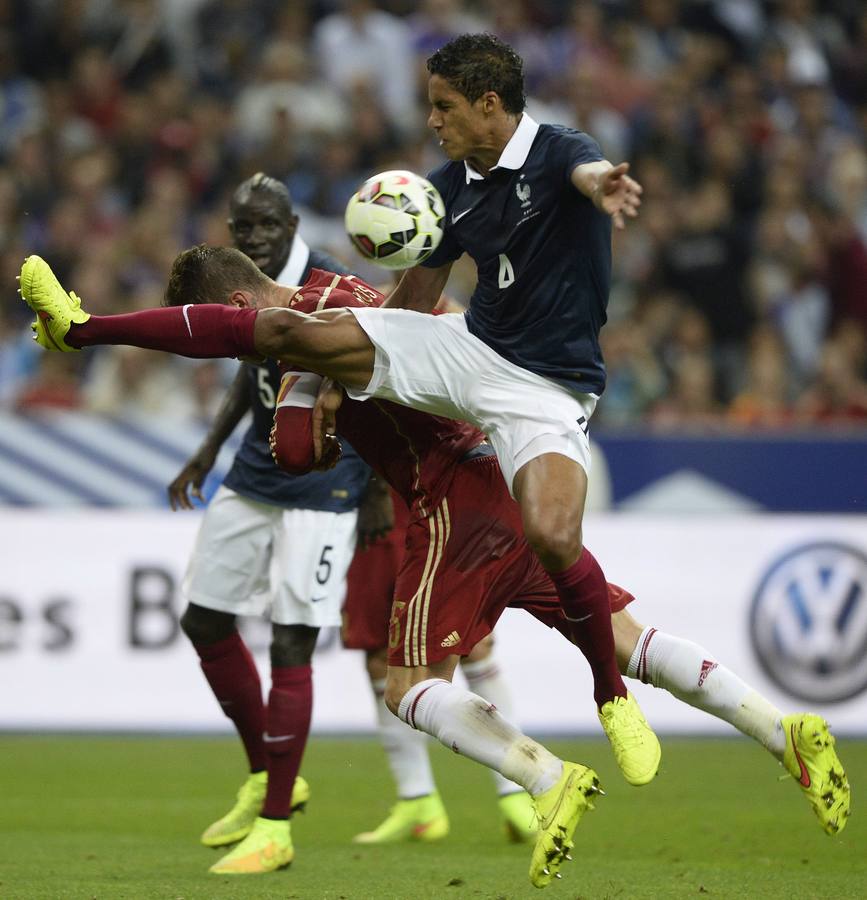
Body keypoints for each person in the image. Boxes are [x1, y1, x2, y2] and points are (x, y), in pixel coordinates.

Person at [19, 256, 851, 888]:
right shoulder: (355, 290)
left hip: (447, 501)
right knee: (628, 639)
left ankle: (543, 775)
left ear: (238, 301)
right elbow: (440, 335)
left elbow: (300, 450)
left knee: (404, 679)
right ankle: (782, 733)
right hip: (503, 474)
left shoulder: (303, 336)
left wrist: (99, 331)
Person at [166, 173, 378, 876]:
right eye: (241, 227)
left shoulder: (328, 287)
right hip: (256, 470)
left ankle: (276, 824)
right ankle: (265, 770)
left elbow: (376, 381)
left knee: (292, 637)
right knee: (202, 617)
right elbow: (243, 371)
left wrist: (377, 487)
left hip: (326, 476)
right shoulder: (241, 287)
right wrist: (207, 450)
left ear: (291, 225)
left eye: (264, 225)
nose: (253, 237)